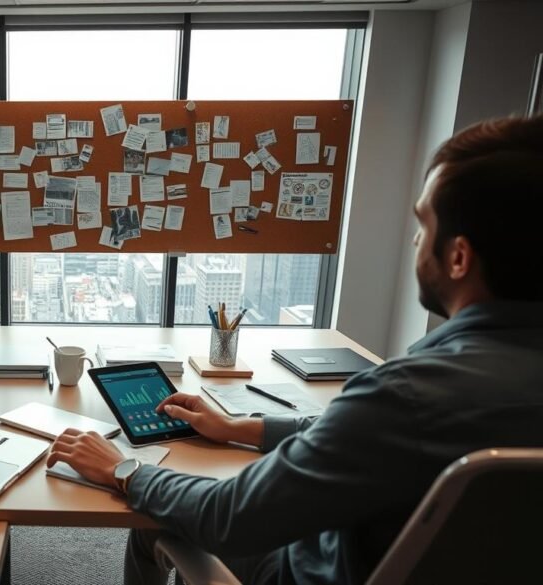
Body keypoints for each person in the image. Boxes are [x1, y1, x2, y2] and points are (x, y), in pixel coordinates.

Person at [47, 116, 543, 585]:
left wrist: (122, 469)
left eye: (424, 224)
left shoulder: (405, 397)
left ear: (458, 257)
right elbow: (350, 437)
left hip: (313, 570)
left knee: (153, 517)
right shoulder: (411, 404)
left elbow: (231, 517)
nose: (416, 239)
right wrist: (240, 428)